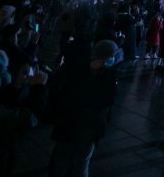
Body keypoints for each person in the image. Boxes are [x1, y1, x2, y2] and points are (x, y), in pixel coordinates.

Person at [48, 39, 120, 177]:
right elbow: (109, 100)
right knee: (81, 161)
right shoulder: (108, 74)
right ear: (108, 57)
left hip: (69, 122)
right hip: (88, 125)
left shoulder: (79, 69)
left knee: (62, 158)